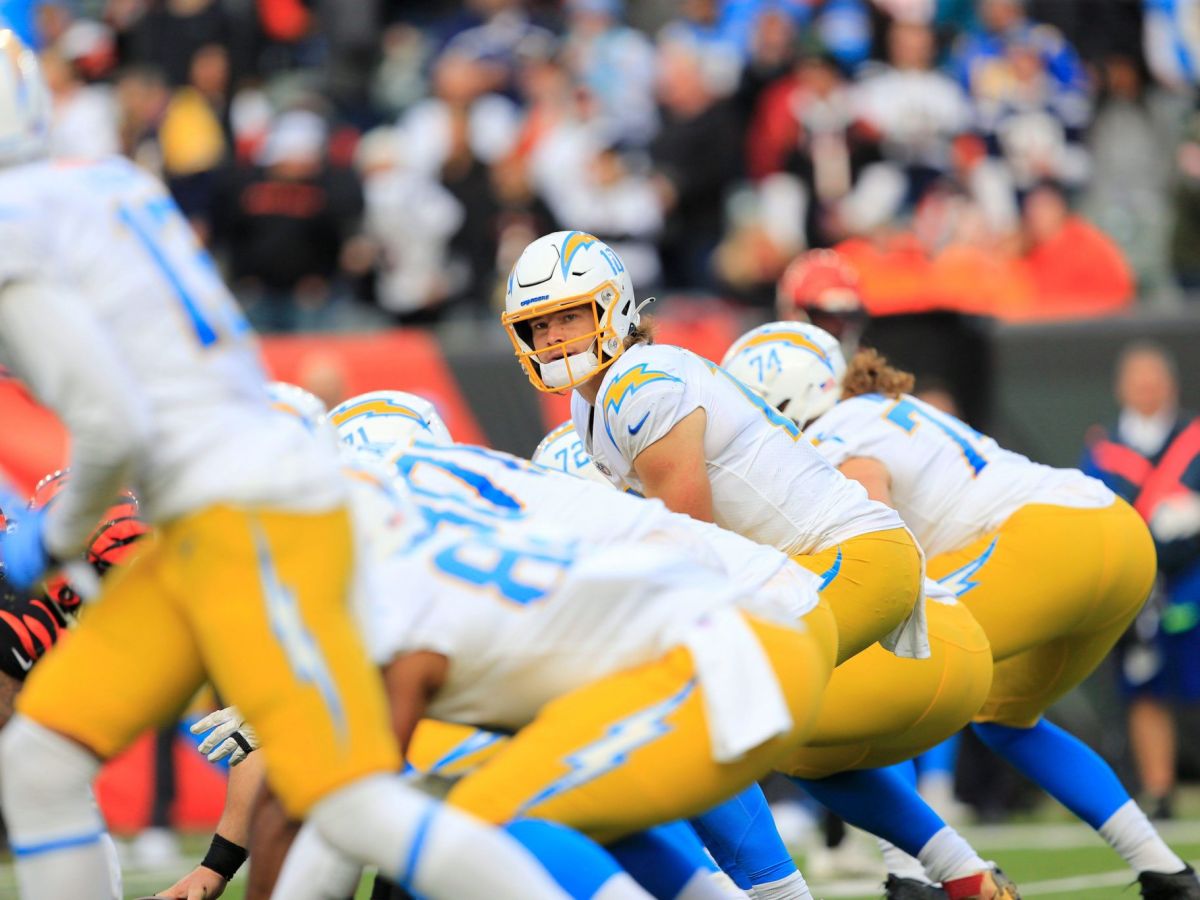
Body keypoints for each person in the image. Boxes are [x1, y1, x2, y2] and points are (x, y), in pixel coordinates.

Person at [0, 32, 572, 900]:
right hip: (263, 495)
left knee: (56, 763)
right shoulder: (108, 182)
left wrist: (56, 536)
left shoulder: (20, 219)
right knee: (58, 761)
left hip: (225, 519)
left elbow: (108, 420)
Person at [500, 233, 1022, 900]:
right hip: (818, 566)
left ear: (612, 307)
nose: (551, 338)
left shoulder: (640, 385)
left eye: (567, 317)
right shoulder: (592, 404)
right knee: (791, 745)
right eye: (537, 326)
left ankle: (781, 891)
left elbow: (690, 546)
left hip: (849, 557)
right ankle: (959, 874)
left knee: (706, 707)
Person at [722, 321, 1200, 899]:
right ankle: (1165, 871)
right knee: (1002, 717)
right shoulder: (882, 408)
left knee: (827, 715)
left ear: (782, 398)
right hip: (1116, 534)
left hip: (1046, 542)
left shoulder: (834, 436)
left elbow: (876, 538)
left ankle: (914, 873)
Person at [1082, 342, 1200, 821]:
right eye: (1138, 381)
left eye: (1155, 381)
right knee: (1144, 688)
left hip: (1193, 580)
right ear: (1121, 388)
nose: (1148, 391)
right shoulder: (1104, 448)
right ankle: (1159, 789)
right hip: (1138, 583)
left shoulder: (1193, 437)